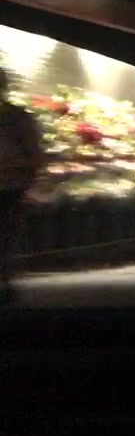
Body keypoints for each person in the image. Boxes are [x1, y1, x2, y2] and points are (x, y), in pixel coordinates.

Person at [0, 69, 43, 304]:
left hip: (8, 188)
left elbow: (35, 156)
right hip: (11, 186)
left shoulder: (17, 118)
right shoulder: (18, 118)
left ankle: (4, 283)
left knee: (5, 237)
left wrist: (16, 169)